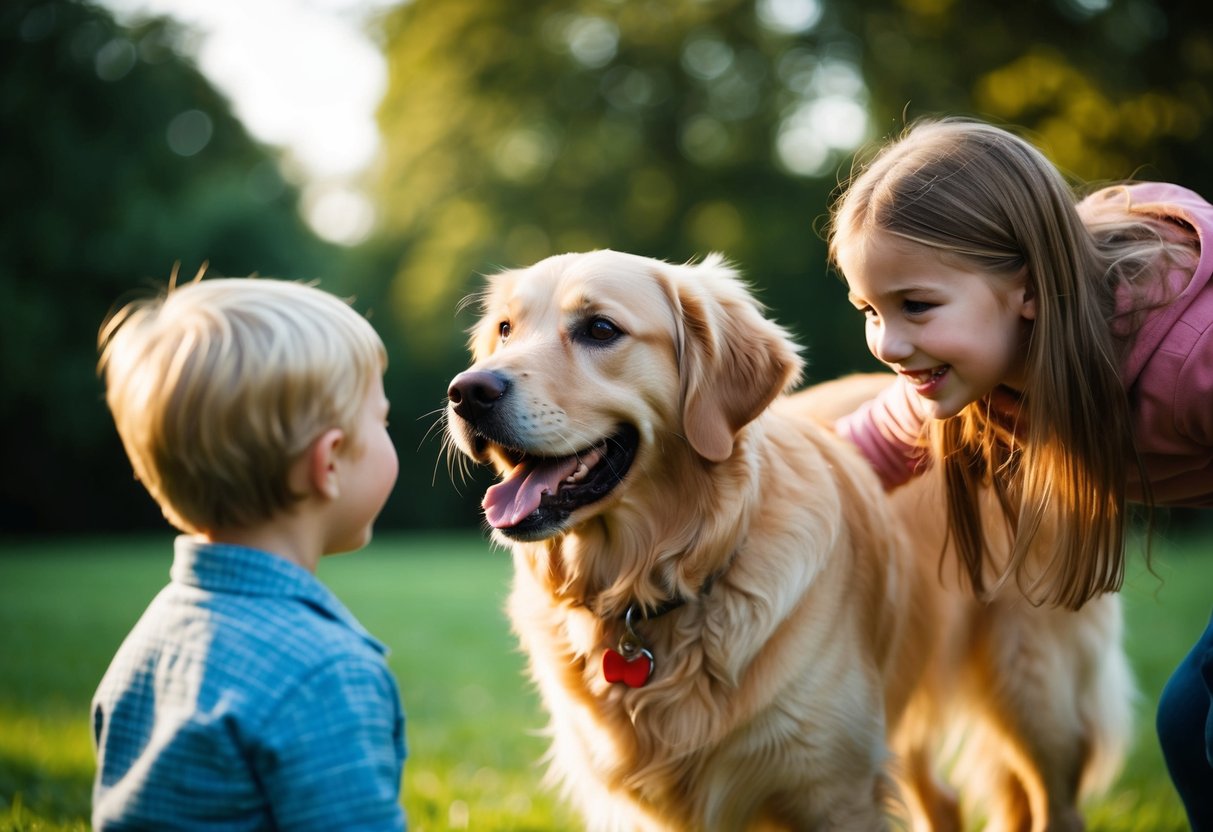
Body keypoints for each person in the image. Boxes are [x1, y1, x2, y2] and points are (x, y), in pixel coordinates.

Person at [826, 117, 1213, 829]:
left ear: (1027, 289)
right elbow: (851, 459)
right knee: (1190, 727)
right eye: (868, 311)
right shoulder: (971, 371)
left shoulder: (1191, 358)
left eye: (914, 305)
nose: (887, 342)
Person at [91, 276, 406, 830]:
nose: (389, 432)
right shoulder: (327, 671)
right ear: (329, 463)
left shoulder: (148, 644)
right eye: (381, 419)